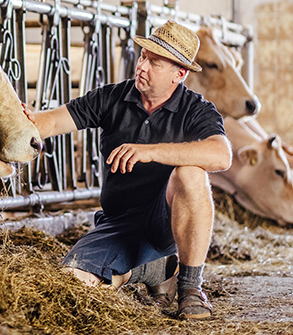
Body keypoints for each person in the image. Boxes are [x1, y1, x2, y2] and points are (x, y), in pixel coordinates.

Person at [25, 20, 231, 320]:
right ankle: (150, 270)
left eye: (155, 63)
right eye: (143, 56)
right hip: (117, 222)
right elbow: (55, 121)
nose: (142, 66)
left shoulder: (196, 109)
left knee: (191, 173)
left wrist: (151, 152)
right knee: (72, 283)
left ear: (180, 73)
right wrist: (21, 121)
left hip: (166, 224)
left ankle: (189, 287)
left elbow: (221, 155)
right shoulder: (112, 97)